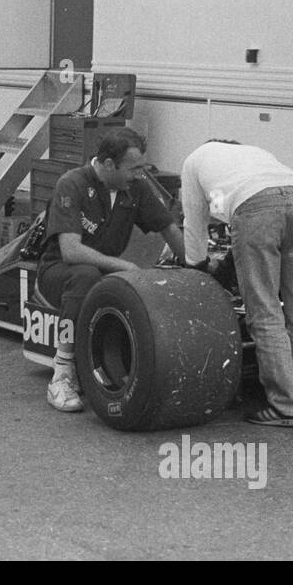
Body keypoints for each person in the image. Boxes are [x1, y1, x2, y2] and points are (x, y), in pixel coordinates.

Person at [36, 128, 186, 412]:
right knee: (86, 275)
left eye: (142, 167)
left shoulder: (137, 188)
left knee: (142, 285)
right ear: (107, 164)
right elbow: (71, 251)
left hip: (103, 273)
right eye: (134, 168)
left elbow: (167, 226)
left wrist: (197, 266)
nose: (140, 174)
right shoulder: (72, 184)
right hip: (59, 271)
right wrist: (127, 266)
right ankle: (62, 374)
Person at [181, 140, 293, 427]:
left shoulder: (194, 161)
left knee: (265, 312)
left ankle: (286, 406)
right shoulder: (253, 152)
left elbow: (194, 222)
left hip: (255, 207)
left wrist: (197, 266)